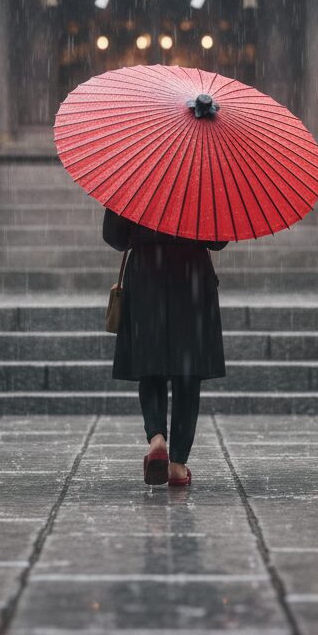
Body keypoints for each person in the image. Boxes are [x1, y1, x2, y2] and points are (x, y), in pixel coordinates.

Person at [102, 208, 227, 487]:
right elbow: (219, 241)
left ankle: (157, 437)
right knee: (188, 370)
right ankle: (178, 464)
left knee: (151, 361)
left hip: (147, 272)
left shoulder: (134, 175)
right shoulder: (202, 178)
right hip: (191, 274)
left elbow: (114, 237)